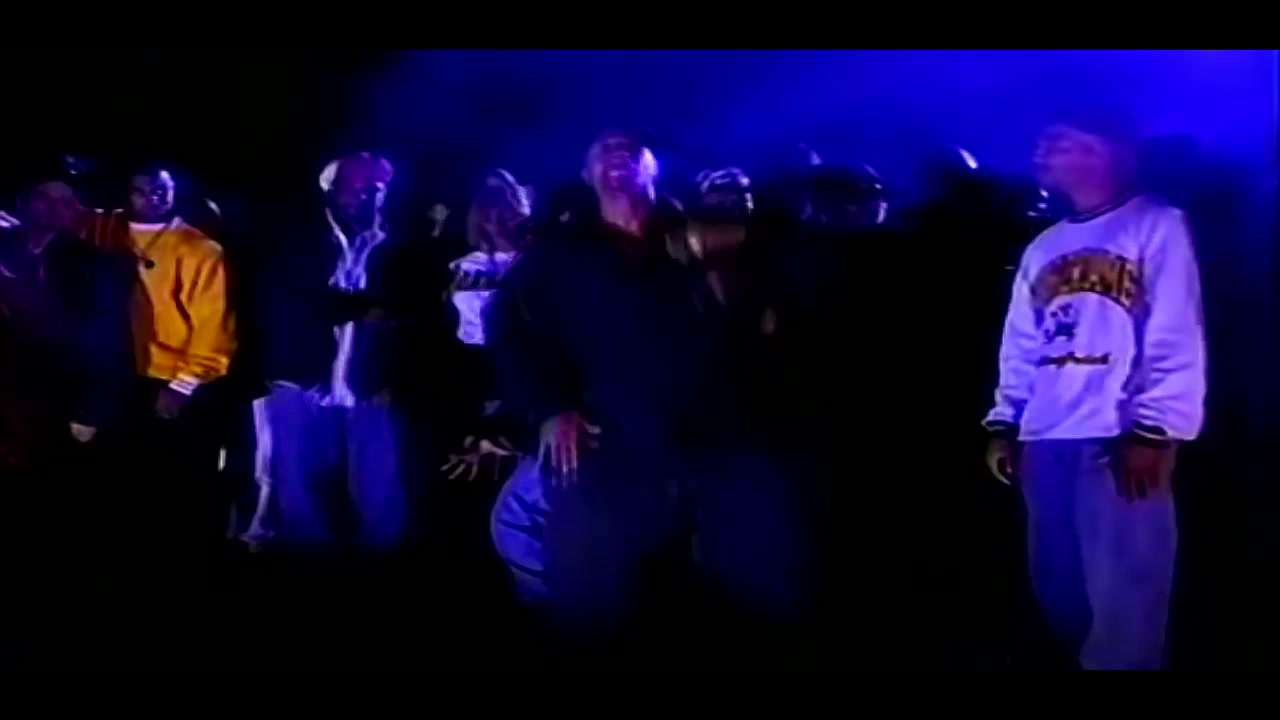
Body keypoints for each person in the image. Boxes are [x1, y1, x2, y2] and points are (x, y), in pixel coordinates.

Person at [488, 130, 812, 660]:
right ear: (588, 175)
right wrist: (550, 407)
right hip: (610, 437)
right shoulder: (561, 254)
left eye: (631, 149)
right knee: (593, 587)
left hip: (715, 439)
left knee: (745, 582)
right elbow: (513, 334)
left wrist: (730, 254)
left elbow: (785, 285)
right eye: (604, 151)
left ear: (654, 169)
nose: (618, 155)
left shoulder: (703, 234)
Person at [983, 107, 1207, 670]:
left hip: (1116, 434)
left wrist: (1155, 428)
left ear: (1103, 151)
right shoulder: (1044, 244)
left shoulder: (1157, 224)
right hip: (1045, 435)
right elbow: (1021, 341)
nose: (1043, 153)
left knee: (1125, 600)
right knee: (1060, 592)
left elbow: (1175, 328)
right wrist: (1006, 419)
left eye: (1059, 142)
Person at [0, 160, 134, 660]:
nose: (54, 208)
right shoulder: (6, 250)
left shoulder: (95, 263)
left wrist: (92, 408)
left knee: (60, 515)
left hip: (63, 405)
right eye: (44, 197)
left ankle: (61, 623)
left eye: (65, 200)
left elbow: (108, 341)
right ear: (23, 203)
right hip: (10, 406)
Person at [249, 152, 411, 553]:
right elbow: (289, 301)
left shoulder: (398, 245)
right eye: (354, 186)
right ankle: (307, 564)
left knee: (379, 491)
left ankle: (386, 566)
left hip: (369, 383)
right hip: (301, 378)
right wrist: (360, 306)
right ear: (331, 189)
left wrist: (392, 370)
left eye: (374, 187)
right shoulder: (296, 238)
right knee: (296, 486)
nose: (364, 194)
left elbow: (405, 308)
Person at [79, 164, 236, 556]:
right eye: (143, 190)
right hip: (120, 380)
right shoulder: (104, 234)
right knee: (126, 484)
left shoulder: (199, 249)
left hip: (173, 383)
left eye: (162, 190)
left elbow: (213, 326)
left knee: (180, 486)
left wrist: (182, 386)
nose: (154, 197)